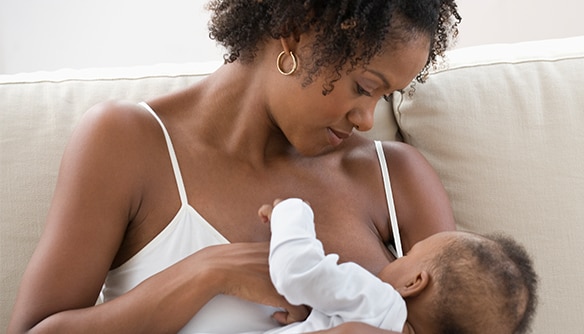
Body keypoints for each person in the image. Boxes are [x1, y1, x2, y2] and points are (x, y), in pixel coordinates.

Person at [7, 1, 461, 333]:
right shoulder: (126, 141)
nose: (367, 118)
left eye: (386, 97)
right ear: (294, 30)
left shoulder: (395, 176)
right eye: (364, 87)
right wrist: (209, 273)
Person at [259, 198, 539, 334]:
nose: (396, 258)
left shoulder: (380, 302)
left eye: (406, 255)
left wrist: (292, 212)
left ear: (413, 283)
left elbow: (296, 271)